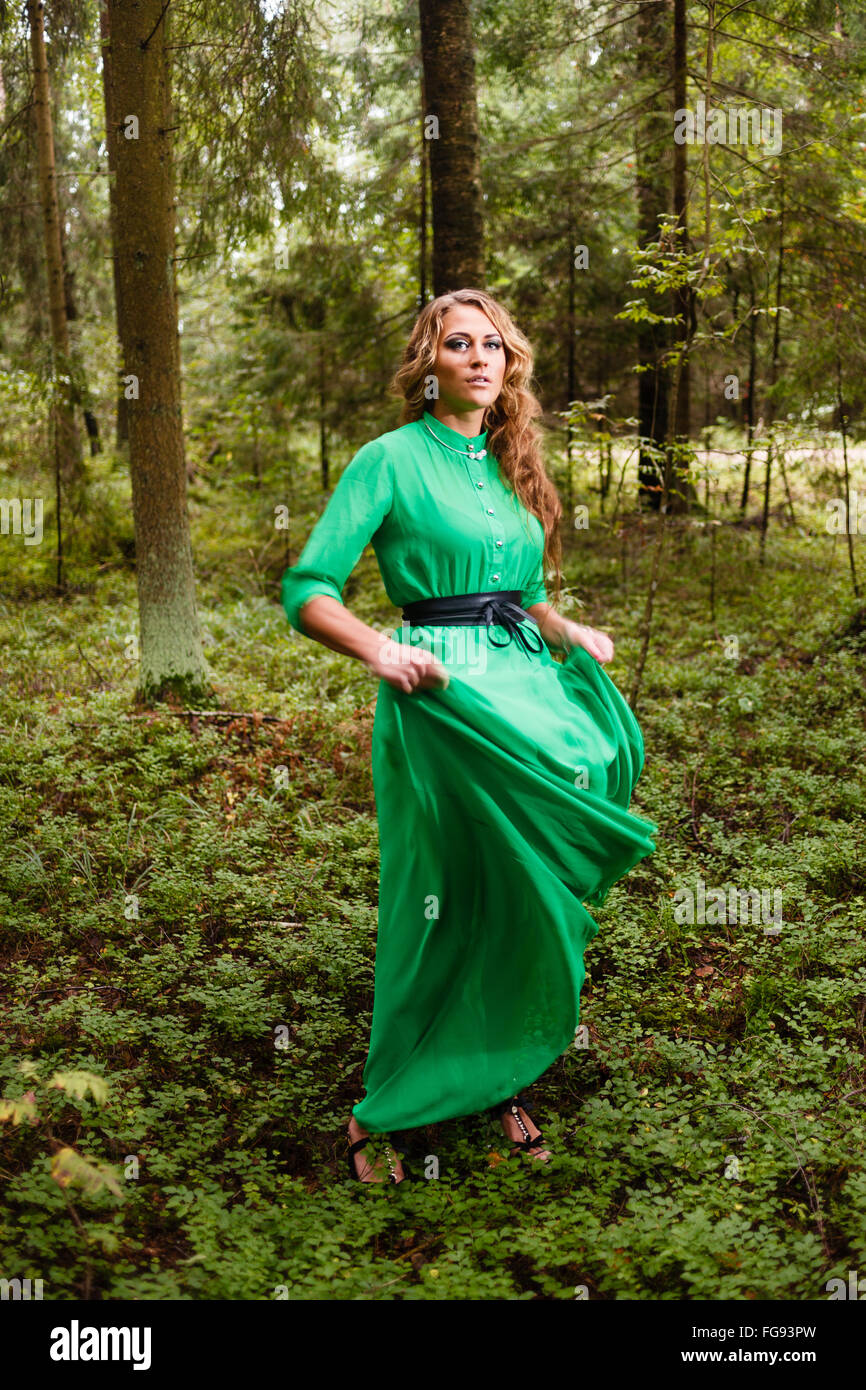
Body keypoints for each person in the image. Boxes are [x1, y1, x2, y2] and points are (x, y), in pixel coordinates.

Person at [280, 288, 657, 1183]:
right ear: (429, 366)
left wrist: (572, 632)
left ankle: (499, 1072)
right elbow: (308, 588)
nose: (481, 358)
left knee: (521, 881)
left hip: (523, 680)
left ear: (507, 364)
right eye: (460, 344)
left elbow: (525, 596)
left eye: (494, 345)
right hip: (440, 692)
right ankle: (384, 1111)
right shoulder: (388, 460)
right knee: (435, 891)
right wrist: (381, 651)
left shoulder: (509, 462)